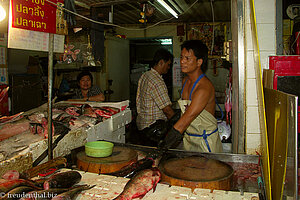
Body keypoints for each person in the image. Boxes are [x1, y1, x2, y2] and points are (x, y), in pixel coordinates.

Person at [159, 40, 223, 153]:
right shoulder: (185, 81)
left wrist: (162, 147)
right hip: (189, 139)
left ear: (199, 62)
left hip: (206, 142)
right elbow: (185, 113)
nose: (182, 61)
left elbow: (185, 121)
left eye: (187, 58)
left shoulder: (203, 88)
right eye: (181, 57)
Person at [136, 48, 176, 146]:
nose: (169, 67)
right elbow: (167, 110)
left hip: (142, 126)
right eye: (168, 64)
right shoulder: (157, 81)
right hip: (153, 129)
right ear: (161, 62)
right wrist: (179, 126)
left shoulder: (145, 75)